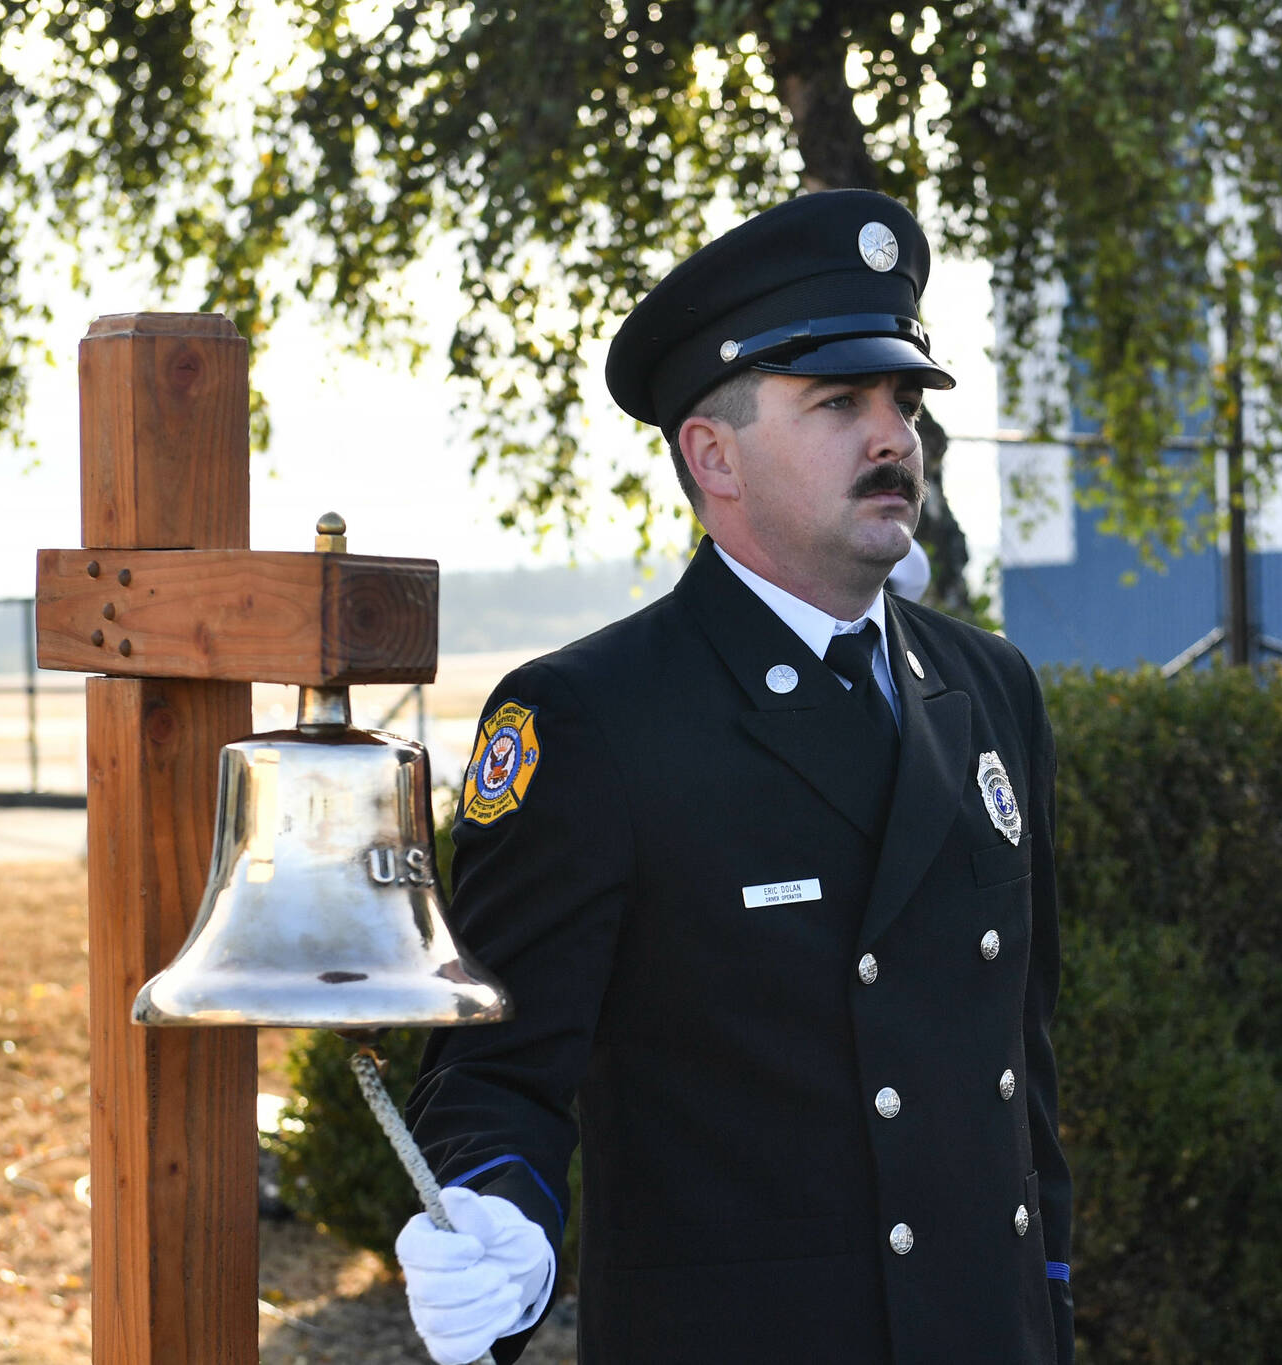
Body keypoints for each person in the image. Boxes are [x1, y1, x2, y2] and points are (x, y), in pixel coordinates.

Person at [399, 189, 1073, 1365]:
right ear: (711, 455)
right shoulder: (593, 719)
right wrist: (500, 1214)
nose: (891, 439)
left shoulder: (989, 690)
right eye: (838, 403)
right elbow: (496, 1062)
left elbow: (1021, 1060)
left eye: (902, 401)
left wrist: (1049, 1291)